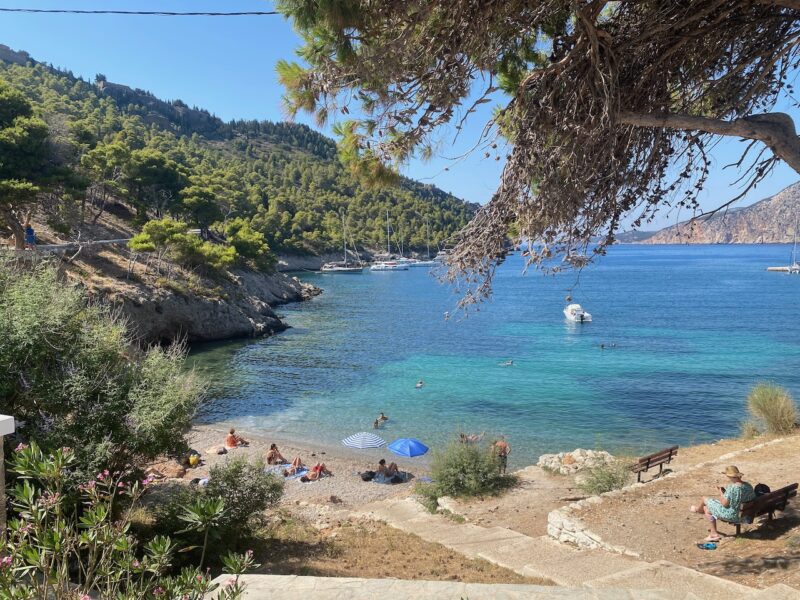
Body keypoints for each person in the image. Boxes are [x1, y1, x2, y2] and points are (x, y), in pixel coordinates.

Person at [690, 466, 756, 542]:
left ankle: (699, 510)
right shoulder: (748, 485)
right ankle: (713, 533)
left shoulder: (732, 488)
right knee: (707, 508)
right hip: (746, 514)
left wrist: (721, 493)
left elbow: (724, 504)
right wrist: (726, 495)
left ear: (729, 476)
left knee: (704, 500)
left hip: (732, 515)